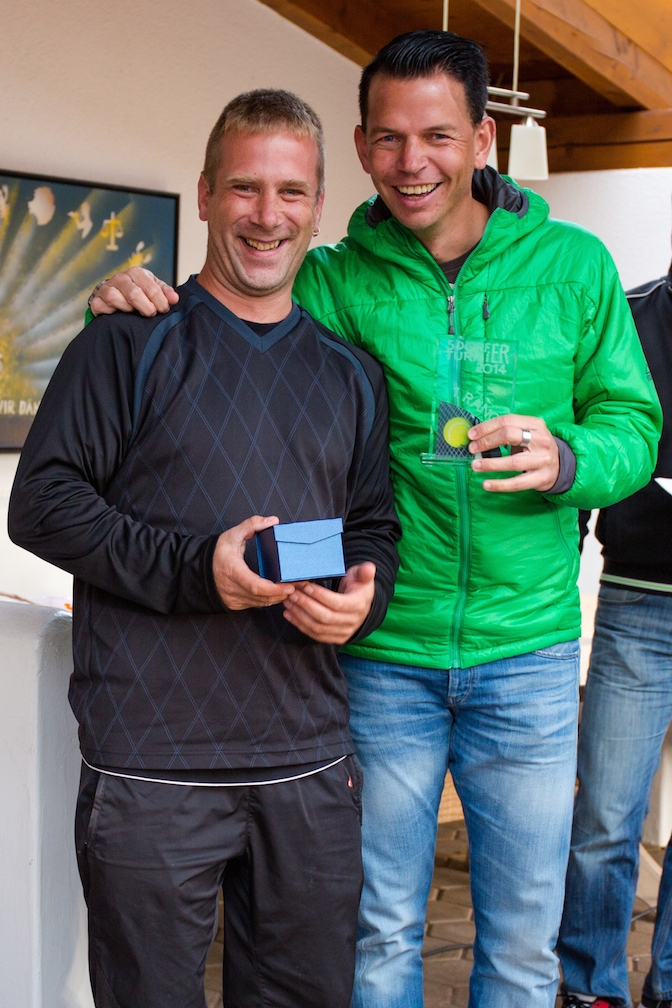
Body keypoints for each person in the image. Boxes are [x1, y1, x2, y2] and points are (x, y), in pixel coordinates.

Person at [83, 30, 662, 1008]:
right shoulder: (336, 277)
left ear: (483, 138)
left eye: (437, 136)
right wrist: (143, 298)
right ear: (359, 145)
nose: (410, 162)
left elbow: (634, 426)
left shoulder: (575, 265)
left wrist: (570, 461)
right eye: (387, 138)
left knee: (523, 944)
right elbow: (239, 313)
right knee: (379, 931)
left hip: (527, 650)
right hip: (381, 655)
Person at [8, 89, 401, 1008]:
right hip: (152, 766)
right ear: (206, 195)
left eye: (291, 192)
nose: (268, 215)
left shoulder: (351, 375)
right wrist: (198, 572)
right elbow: (43, 506)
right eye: (245, 189)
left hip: (308, 763)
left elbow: (372, 529)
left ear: (318, 205)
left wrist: (364, 598)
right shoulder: (126, 343)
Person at [557, 264, 672, 1008]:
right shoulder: (626, 316)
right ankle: (590, 989)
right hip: (641, 604)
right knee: (605, 816)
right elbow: (582, 451)